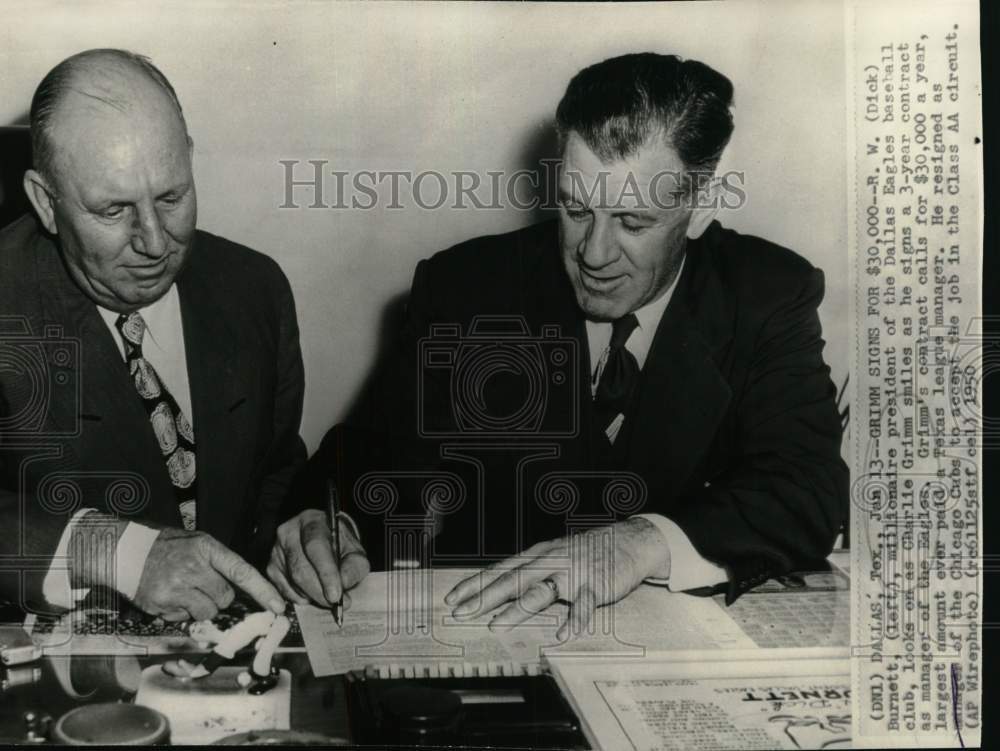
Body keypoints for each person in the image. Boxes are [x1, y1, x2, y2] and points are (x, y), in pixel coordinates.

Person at [272, 52, 848, 639]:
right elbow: (365, 459)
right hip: (496, 638)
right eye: (576, 209)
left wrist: (642, 542)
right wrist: (327, 524)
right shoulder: (466, 288)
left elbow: (808, 490)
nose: (594, 254)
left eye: (632, 222)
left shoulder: (765, 295)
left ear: (701, 207)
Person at [0, 49, 305, 621]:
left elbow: (277, 475)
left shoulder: (255, 288)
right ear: (45, 201)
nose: (156, 242)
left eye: (171, 198)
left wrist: (305, 528)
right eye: (113, 210)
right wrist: (114, 552)